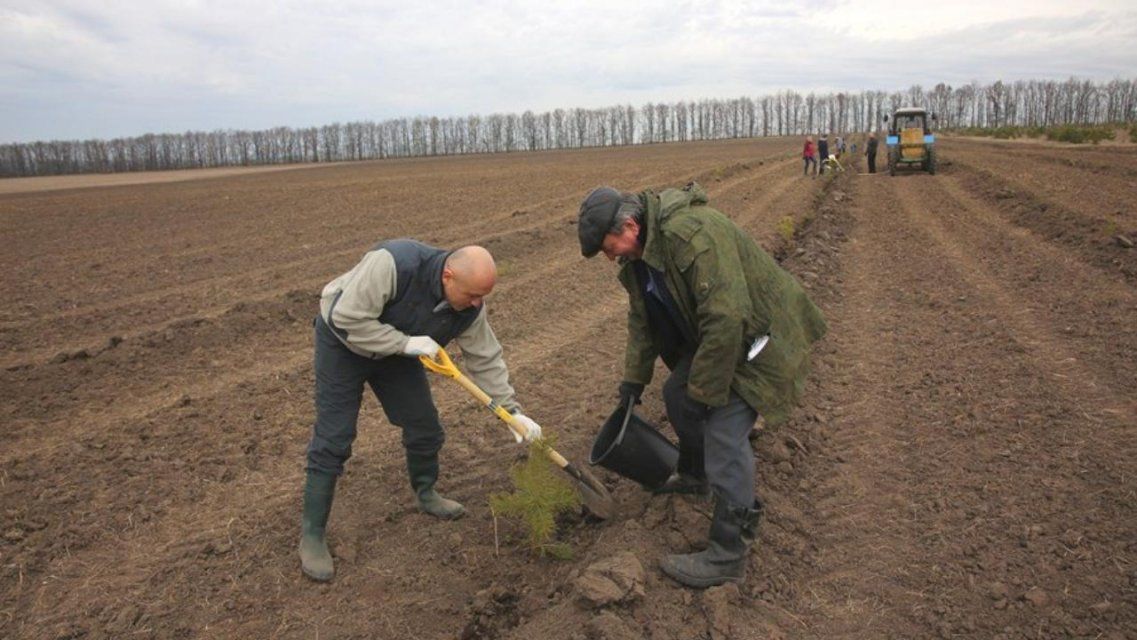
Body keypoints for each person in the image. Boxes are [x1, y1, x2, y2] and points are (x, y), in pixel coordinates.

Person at [576, 184, 827, 588]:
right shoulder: (640, 258)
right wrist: (632, 382)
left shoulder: (690, 235)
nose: (611, 257)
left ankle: (729, 554)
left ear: (629, 224)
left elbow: (727, 318)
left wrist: (708, 394)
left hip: (760, 337)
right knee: (677, 394)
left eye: (610, 247)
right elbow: (643, 322)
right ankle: (696, 476)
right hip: (725, 335)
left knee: (724, 433)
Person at [299, 241, 544, 582]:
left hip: (396, 353)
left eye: (481, 297)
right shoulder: (395, 265)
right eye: (472, 294)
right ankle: (312, 535)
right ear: (448, 276)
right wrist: (405, 344)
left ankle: (426, 492)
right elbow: (346, 317)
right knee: (335, 436)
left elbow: (485, 357)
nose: (477, 303)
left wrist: (511, 411)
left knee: (425, 427)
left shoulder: (470, 307)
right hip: (344, 343)